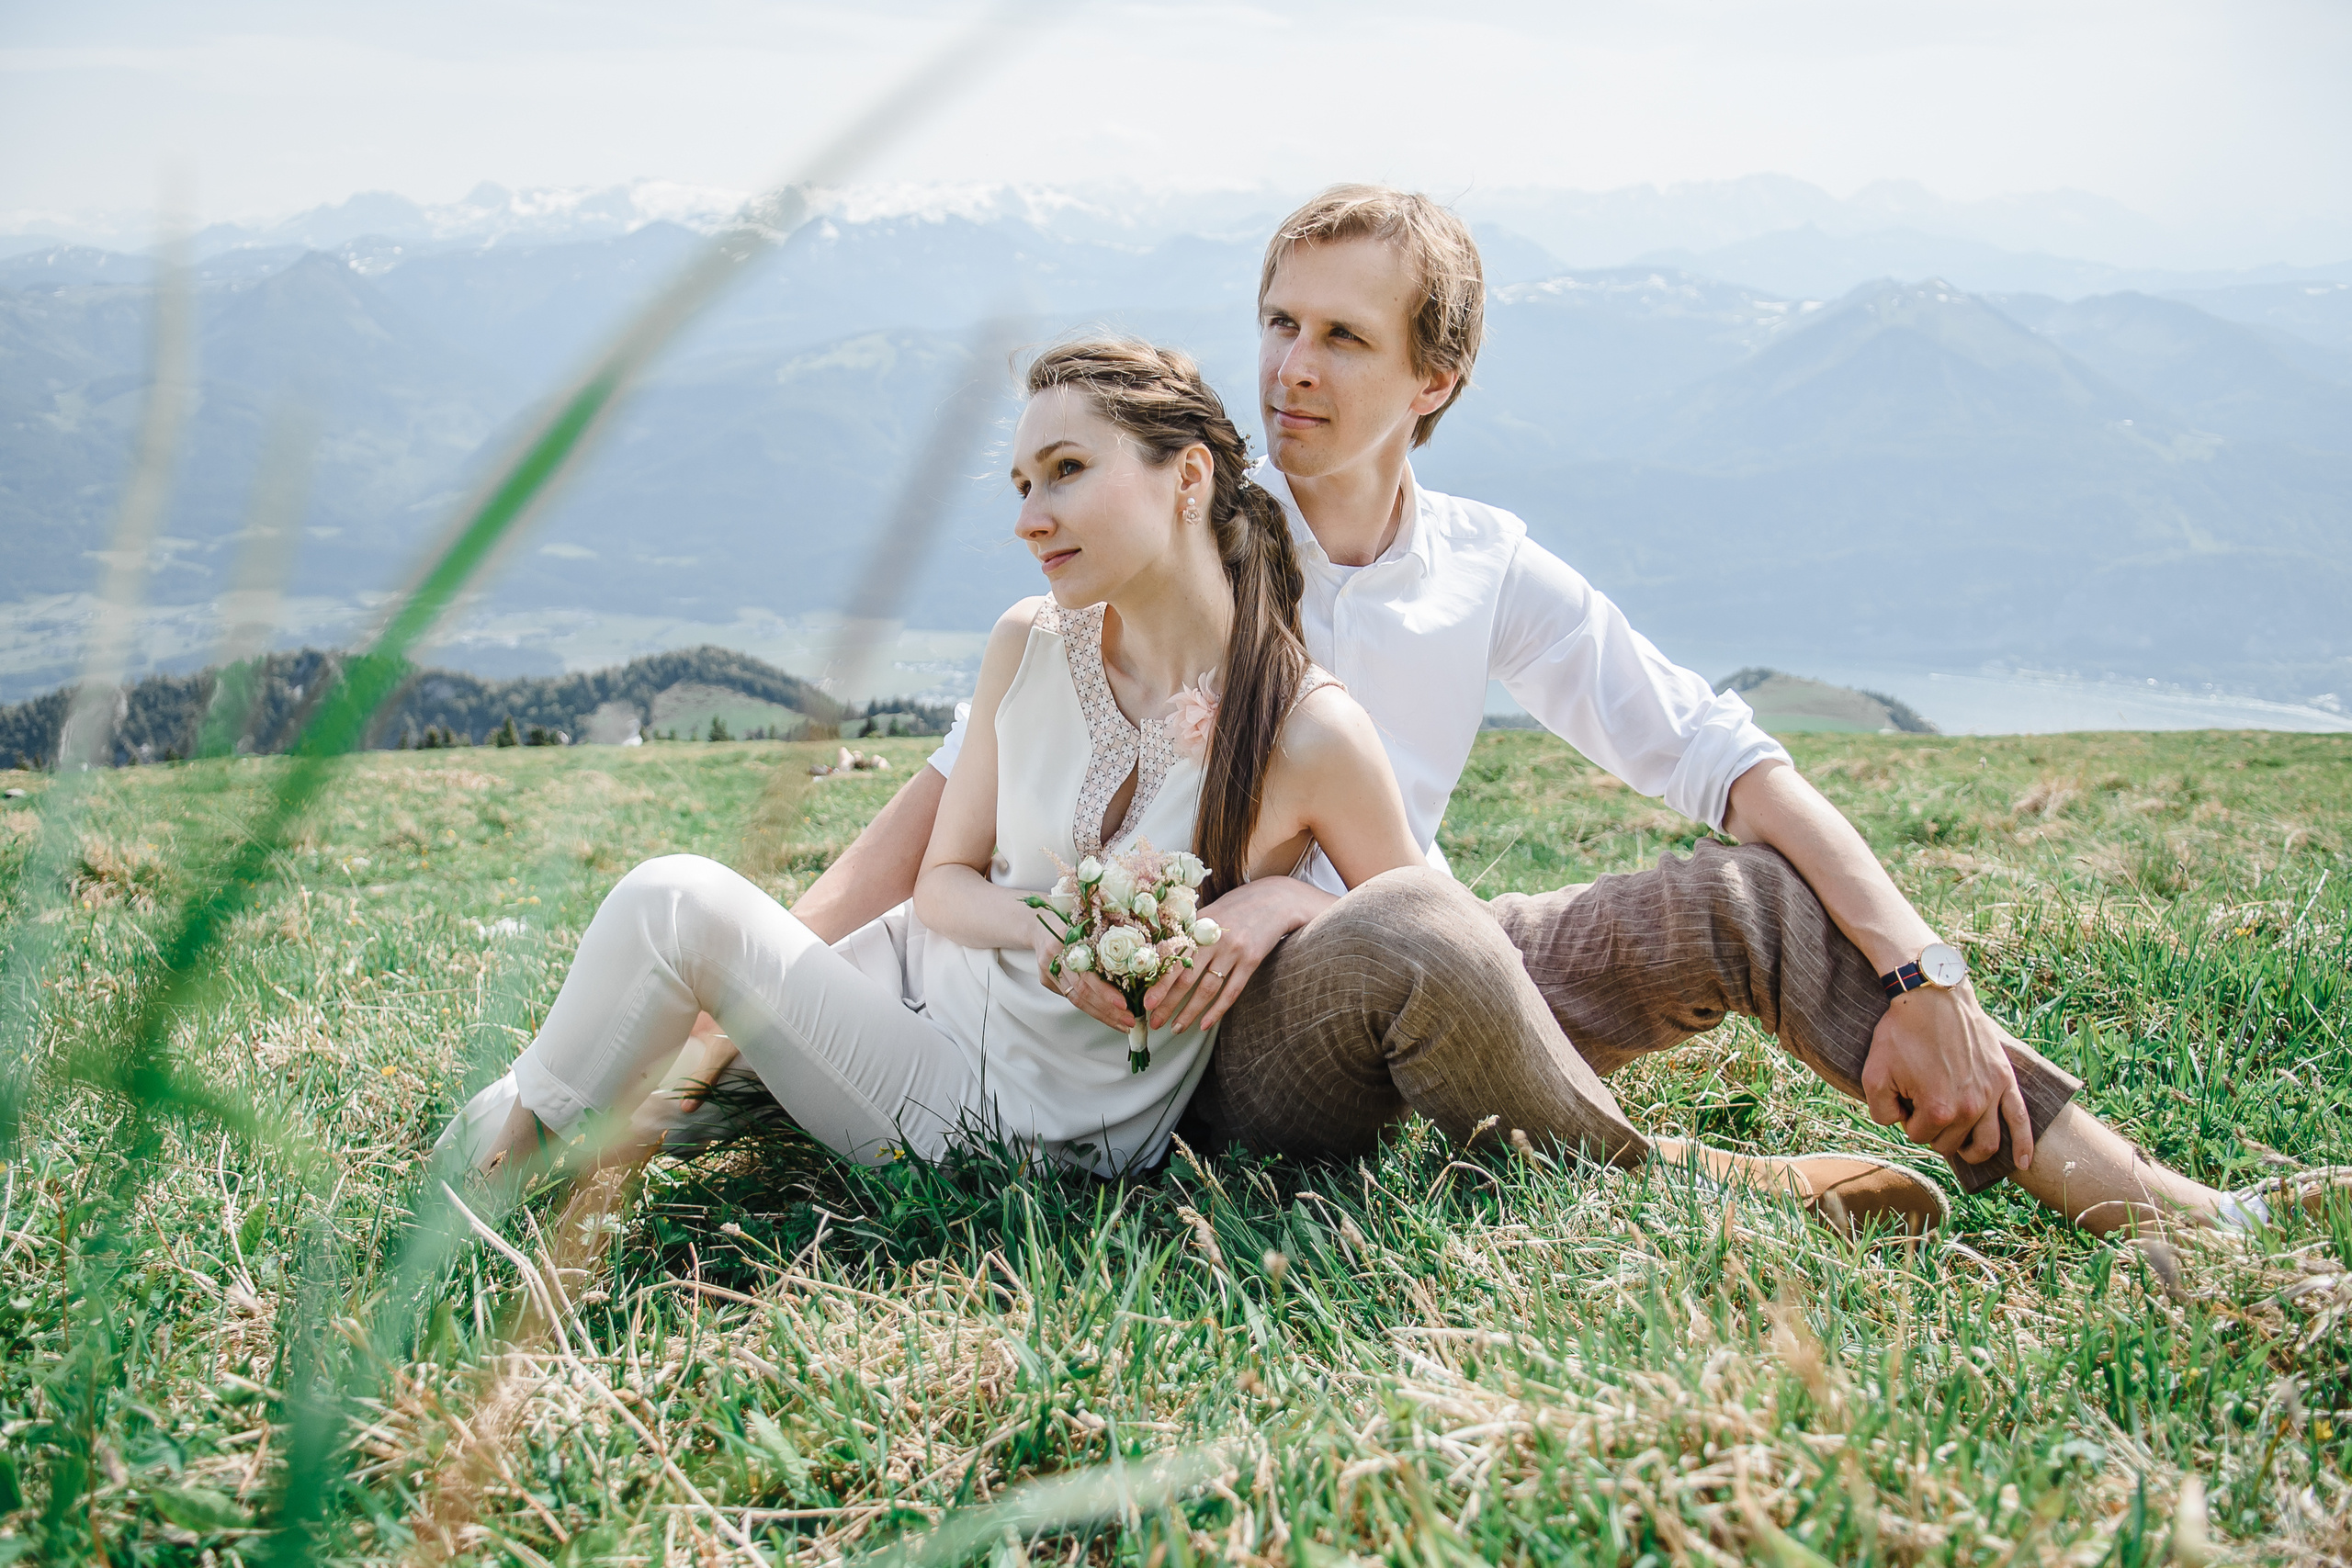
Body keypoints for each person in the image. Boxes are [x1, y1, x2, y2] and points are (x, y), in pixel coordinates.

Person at [678, 188, 2333, 1242]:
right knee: (1414, 928)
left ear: (1435, 381)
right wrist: (748, 998)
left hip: (1434, 947)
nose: (1290, 367)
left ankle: (2168, 1209)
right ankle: (1702, 1197)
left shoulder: (1482, 566)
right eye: (1276, 322)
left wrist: (1923, 968)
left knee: (1741, 897)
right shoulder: (1177, 541)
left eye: (1341, 335)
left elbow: (1723, 757)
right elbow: (947, 796)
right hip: (1220, 1025)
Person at [440, 339, 1641, 1184]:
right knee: (666, 1051)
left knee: (670, 904)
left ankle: (476, 1187)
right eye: (1023, 483)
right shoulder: (1026, 642)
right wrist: (1044, 931)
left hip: (1021, 1116)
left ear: (1187, 478)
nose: (1030, 515)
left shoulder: (1310, 731)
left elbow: (1421, 926)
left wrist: (1276, 894)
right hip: (911, 1003)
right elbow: (945, 882)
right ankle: (517, 1153)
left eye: (1066, 471)